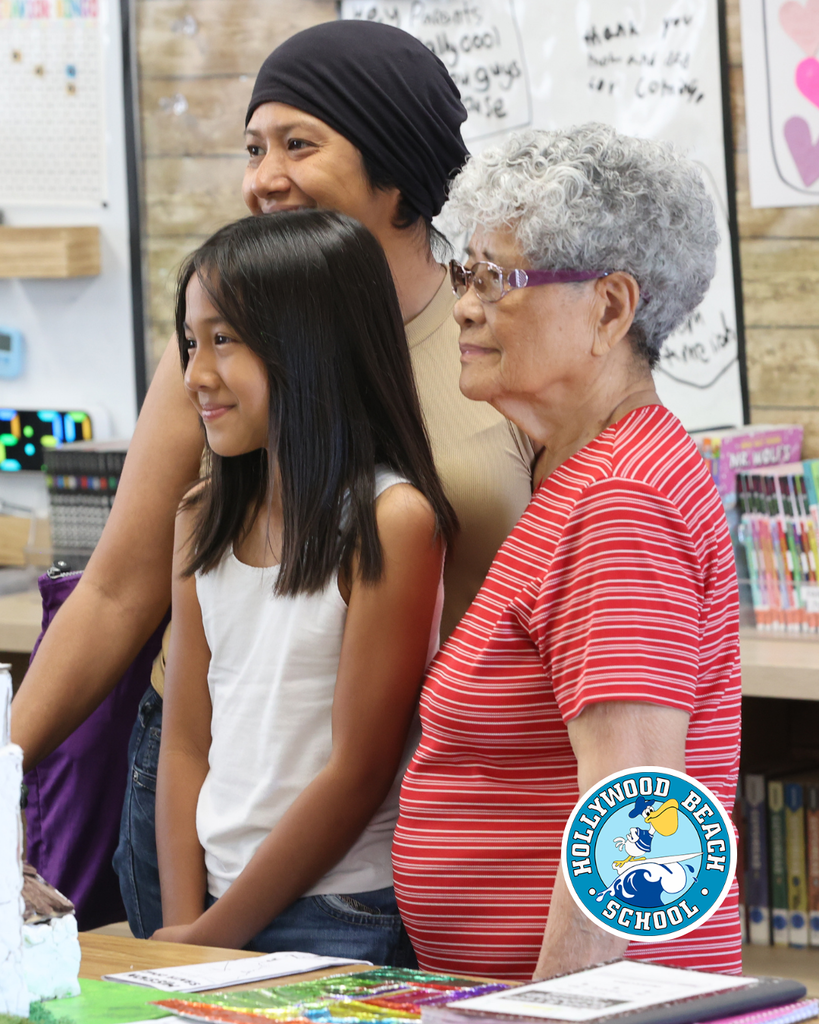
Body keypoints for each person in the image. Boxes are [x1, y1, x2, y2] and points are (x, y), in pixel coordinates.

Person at [11, 20, 534, 939]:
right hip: (204, 789)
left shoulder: (500, 326)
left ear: (399, 169)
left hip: (391, 809)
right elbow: (117, 590)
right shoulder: (213, 358)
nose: (263, 177)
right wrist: (2, 775)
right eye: (253, 147)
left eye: (300, 144)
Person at [392, 124, 742, 980]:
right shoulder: (588, 474)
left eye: (498, 280)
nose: (465, 306)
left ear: (611, 309)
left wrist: (560, 1010)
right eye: (464, 272)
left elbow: (635, 811)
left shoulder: (622, 501)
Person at [152, 209, 456, 960]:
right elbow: (187, 740)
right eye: (192, 342)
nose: (195, 375)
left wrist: (209, 940)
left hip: (340, 911)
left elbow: (359, 770)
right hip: (213, 910)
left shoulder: (392, 520)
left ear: (308, 346)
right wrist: (185, 925)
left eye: (222, 340)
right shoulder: (199, 519)